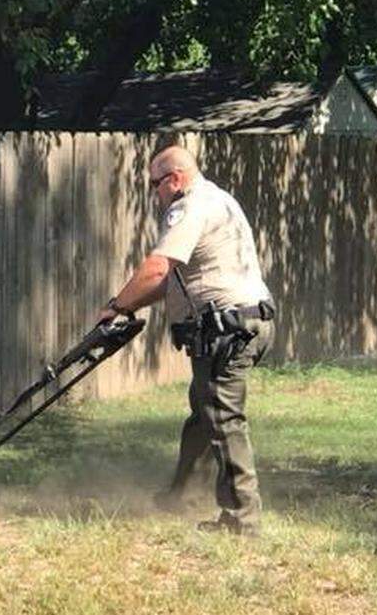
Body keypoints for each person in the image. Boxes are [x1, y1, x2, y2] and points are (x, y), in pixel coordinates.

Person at [96, 145, 275, 535]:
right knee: (204, 411)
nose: (155, 193)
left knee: (223, 419)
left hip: (227, 329)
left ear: (174, 179)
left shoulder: (189, 206)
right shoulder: (221, 199)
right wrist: (130, 307)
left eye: (156, 185)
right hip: (251, 322)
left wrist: (116, 304)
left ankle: (243, 520)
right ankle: (183, 495)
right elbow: (170, 282)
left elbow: (159, 267)